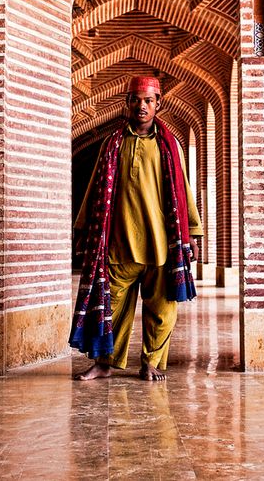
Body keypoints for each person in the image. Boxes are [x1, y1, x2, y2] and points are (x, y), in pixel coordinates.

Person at [69, 76, 203, 381]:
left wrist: (193, 232)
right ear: (126, 103)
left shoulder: (170, 146)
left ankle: (151, 362)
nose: (141, 106)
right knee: (111, 306)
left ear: (159, 104)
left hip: (162, 243)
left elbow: (184, 189)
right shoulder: (113, 143)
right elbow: (95, 189)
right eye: (135, 100)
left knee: (162, 309)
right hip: (119, 242)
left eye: (148, 101)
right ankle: (105, 363)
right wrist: (82, 231)